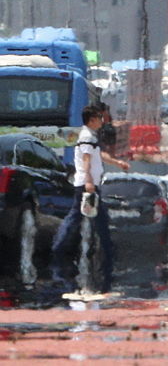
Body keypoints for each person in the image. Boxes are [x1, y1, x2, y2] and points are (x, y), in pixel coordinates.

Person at [51, 105, 130, 293]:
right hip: (87, 185)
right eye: (99, 118)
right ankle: (59, 249)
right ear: (92, 119)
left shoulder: (89, 136)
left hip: (89, 184)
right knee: (77, 217)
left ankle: (106, 249)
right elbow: (86, 159)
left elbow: (97, 155)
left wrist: (117, 162)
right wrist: (88, 180)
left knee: (93, 217)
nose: (102, 121)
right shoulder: (87, 136)